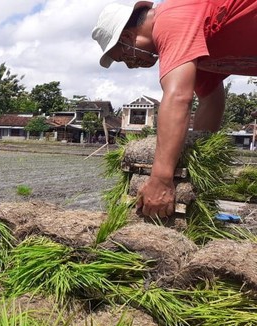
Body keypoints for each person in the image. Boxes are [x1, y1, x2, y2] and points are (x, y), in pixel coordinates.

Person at [92, 0, 257, 218]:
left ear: (127, 38)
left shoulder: (170, 18)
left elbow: (178, 96)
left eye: (123, 58)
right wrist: (196, 163)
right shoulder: (197, 46)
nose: (130, 65)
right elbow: (210, 100)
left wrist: (161, 179)